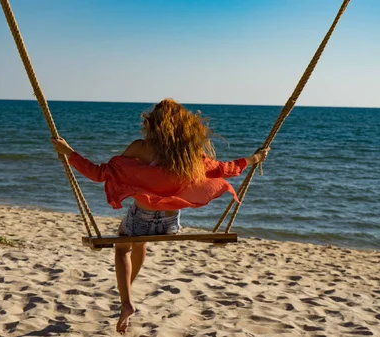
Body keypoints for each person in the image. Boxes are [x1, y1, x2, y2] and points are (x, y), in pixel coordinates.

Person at [51, 98, 269, 334]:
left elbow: (99, 173)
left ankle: (126, 300)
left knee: (123, 245)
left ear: (152, 124)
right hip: (170, 225)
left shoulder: (140, 148)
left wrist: (69, 153)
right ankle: (127, 289)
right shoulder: (190, 154)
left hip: (140, 220)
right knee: (139, 241)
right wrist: (254, 158)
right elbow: (226, 168)